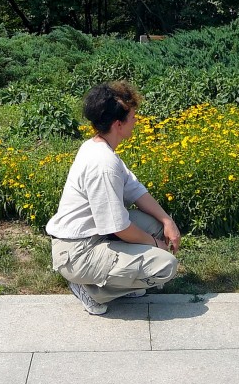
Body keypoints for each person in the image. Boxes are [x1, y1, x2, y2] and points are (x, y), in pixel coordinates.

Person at [46, 81, 181, 315]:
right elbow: (118, 227)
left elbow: (135, 190)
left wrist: (167, 221)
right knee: (165, 267)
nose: (136, 121)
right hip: (78, 252)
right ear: (118, 124)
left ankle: (120, 280)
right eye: (132, 117)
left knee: (157, 227)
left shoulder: (100, 147)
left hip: (94, 235)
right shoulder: (103, 164)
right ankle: (91, 290)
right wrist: (155, 244)